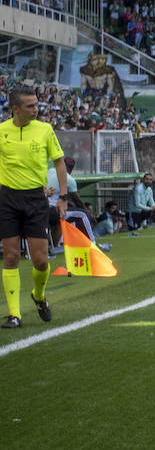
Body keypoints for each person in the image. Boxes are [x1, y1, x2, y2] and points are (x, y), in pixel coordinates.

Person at [0, 84, 67, 328]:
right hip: (7, 199)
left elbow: (59, 162)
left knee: (41, 261)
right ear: (15, 109)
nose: (36, 110)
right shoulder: (1, 131)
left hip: (35, 200)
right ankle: (14, 315)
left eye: (37, 105)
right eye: (31, 106)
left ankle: (38, 295)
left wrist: (63, 196)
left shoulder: (45, 130)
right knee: (10, 256)